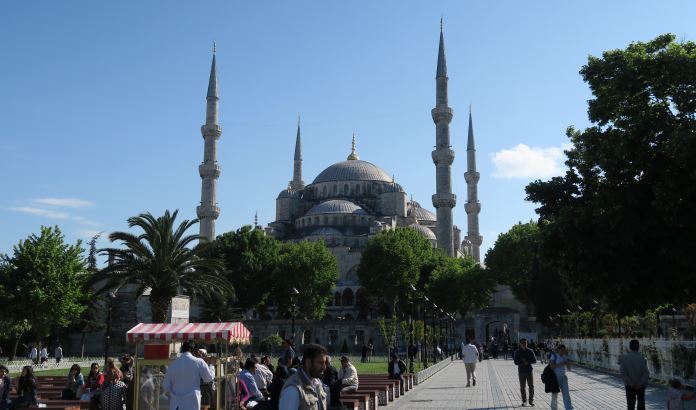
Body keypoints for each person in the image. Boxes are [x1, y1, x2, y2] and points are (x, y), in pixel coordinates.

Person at [162, 340, 214, 410]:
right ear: (193, 350)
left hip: (176, 405)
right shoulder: (199, 362)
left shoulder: (173, 364)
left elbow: (165, 385)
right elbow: (209, 378)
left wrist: (175, 394)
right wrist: (212, 365)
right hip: (192, 404)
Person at [279, 343, 328, 410]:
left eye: (325, 362)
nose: (324, 367)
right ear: (308, 362)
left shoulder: (318, 382)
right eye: (321, 362)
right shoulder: (293, 389)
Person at [620, 339, 649, 410]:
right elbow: (646, 373)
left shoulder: (625, 358)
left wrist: (630, 383)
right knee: (641, 404)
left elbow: (623, 373)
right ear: (638, 347)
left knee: (630, 405)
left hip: (629, 386)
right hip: (641, 386)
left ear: (630, 347)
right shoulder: (643, 359)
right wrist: (640, 383)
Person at [513, 338, 537, 407]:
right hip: (521, 371)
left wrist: (528, 362)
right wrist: (523, 363)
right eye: (523, 343)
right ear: (520, 344)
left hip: (529, 371)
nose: (524, 344)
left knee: (531, 386)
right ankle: (524, 401)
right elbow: (515, 362)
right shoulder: (517, 352)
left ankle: (531, 401)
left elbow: (535, 360)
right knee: (522, 387)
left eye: (525, 343)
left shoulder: (530, 351)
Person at [549, 344, 573, 410]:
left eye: (564, 350)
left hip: (563, 377)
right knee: (555, 394)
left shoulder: (565, 357)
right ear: (558, 349)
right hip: (555, 378)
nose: (563, 351)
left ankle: (568, 408)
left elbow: (569, 369)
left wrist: (569, 364)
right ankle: (554, 408)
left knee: (566, 394)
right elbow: (552, 367)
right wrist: (562, 363)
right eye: (561, 350)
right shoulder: (554, 356)